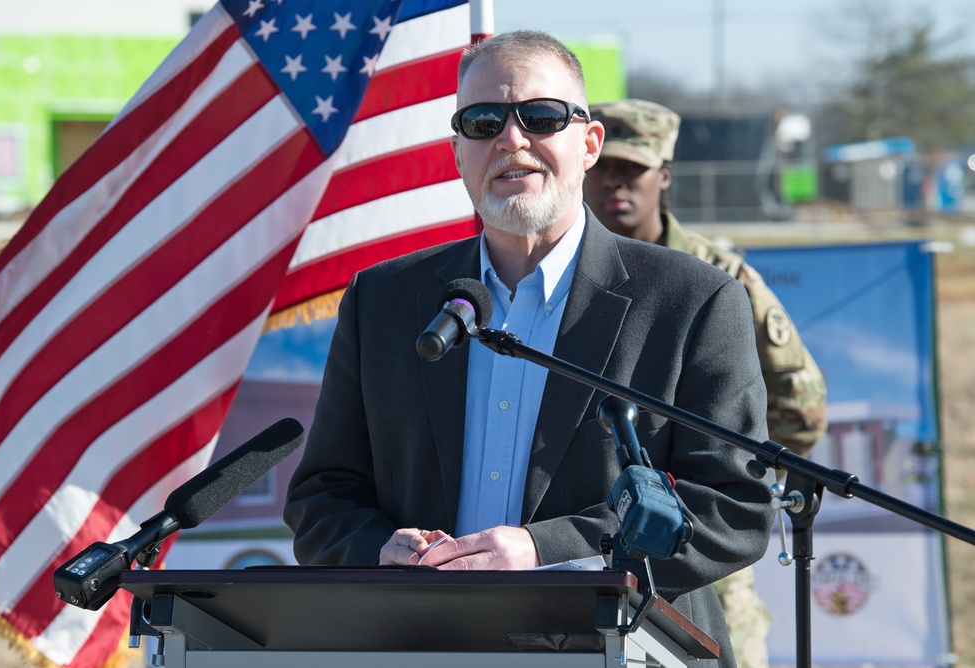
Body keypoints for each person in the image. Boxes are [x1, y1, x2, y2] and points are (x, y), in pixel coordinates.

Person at [284, 30, 775, 667]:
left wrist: (546, 550)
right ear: (457, 151)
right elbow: (322, 498)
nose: (511, 140)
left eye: (540, 117)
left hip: (621, 646)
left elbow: (732, 508)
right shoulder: (383, 300)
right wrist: (380, 547)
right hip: (423, 646)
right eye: (483, 121)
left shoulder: (693, 300)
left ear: (590, 143)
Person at [583, 98, 829, 668]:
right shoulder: (550, 278)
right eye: (604, 168)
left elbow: (801, 405)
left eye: (633, 170)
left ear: (664, 177)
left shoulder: (719, 281)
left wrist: (728, 475)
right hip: (584, 543)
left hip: (694, 548)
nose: (615, 184)